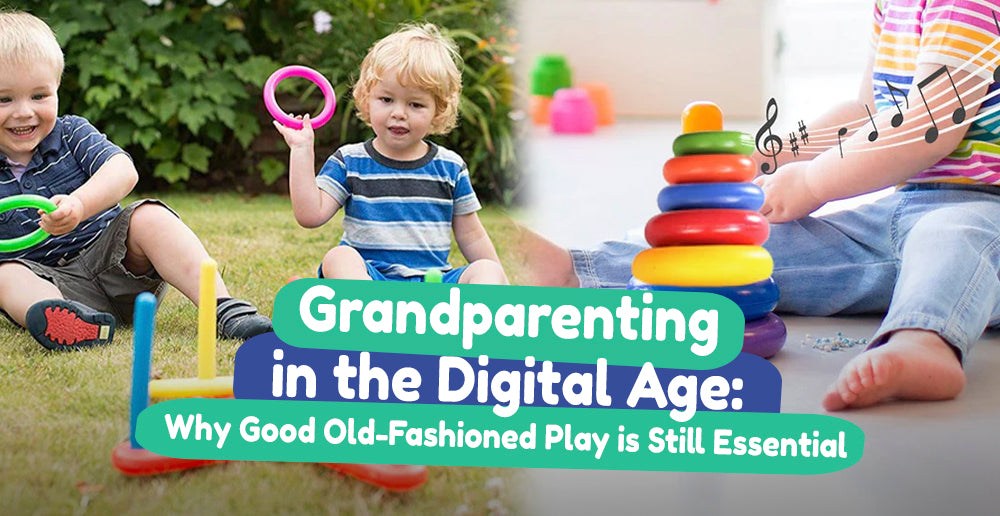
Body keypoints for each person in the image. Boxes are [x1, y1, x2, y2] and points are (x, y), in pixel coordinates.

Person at [522, 0, 1000, 411]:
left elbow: (929, 127)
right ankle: (580, 269)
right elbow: (869, 114)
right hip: (900, 211)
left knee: (951, 239)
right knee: (751, 246)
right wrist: (774, 150)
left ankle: (925, 340)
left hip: (984, 210)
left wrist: (813, 182)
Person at [0, 11, 272, 350]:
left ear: (57, 89)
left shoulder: (71, 133)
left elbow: (122, 170)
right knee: (5, 274)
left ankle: (224, 308)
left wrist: (79, 204)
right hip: (46, 282)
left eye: (39, 96)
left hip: (118, 269)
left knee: (150, 216)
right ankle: (71, 322)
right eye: (4, 99)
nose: (24, 111)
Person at [274, 23, 507, 285]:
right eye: (386, 100)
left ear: (437, 110)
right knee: (338, 257)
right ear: (366, 98)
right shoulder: (350, 161)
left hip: (433, 287)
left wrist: (498, 283)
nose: (398, 113)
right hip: (371, 281)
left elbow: (473, 236)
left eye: (415, 104)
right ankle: (366, 312)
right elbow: (309, 215)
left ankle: (474, 314)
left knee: (487, 270)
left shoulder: (450, 167)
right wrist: (302, 150)